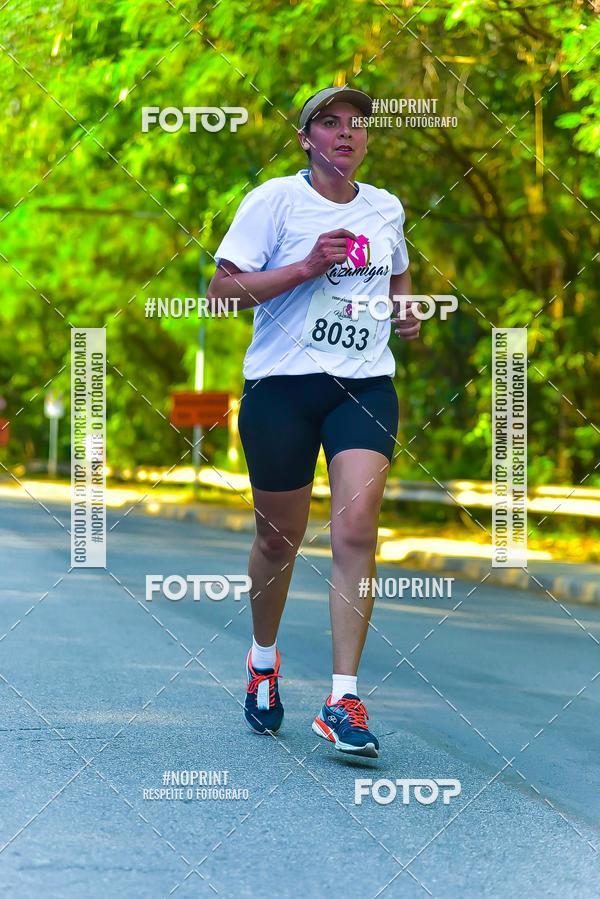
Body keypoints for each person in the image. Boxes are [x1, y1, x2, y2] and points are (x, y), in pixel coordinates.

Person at [208, 86, 420, 759]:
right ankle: (263, 661)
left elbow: (398, 280)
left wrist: (407, 313)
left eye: (356, 124)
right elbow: (219, 293)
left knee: (356, 527)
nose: (345, 133)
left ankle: (342, 697)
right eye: (328, 123)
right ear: (306, 139)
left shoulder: (385, 207)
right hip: (281, 390)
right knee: (280, 540)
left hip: (363, 388)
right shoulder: (273, 201)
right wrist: (305, 267)